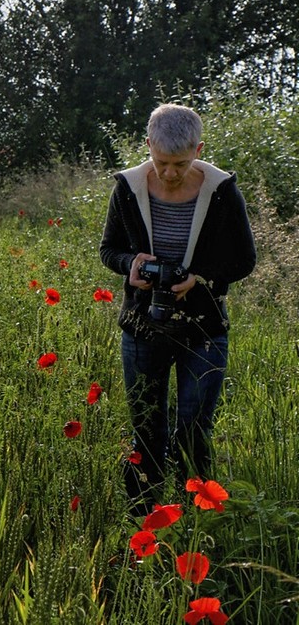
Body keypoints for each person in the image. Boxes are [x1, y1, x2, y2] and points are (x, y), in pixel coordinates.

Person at [100, 103, 256, 516]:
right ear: (148, 145)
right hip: (142, 324)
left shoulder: (222, 191)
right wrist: (129, 265)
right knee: (147, 430)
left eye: (181, 163)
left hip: (204, 328)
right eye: (162, 162)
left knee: (193, 429)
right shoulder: (128, 188)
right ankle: (142, 520)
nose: (170, 173)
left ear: (199, 148)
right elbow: (109, 249)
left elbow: (244, 260)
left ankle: (197, 521)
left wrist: (199, 277)